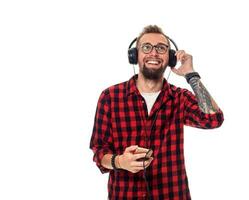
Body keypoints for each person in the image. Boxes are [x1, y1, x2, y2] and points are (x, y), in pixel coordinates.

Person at [90, 25, 224, 200]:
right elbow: (99, 151)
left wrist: (191, 75)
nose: (154, 53)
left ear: (170, 58)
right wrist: (120, 161)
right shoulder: (110, 97)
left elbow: (213, 119)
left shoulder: (179, 98)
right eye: (146, 47)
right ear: (134, 55)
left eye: (161, 48)